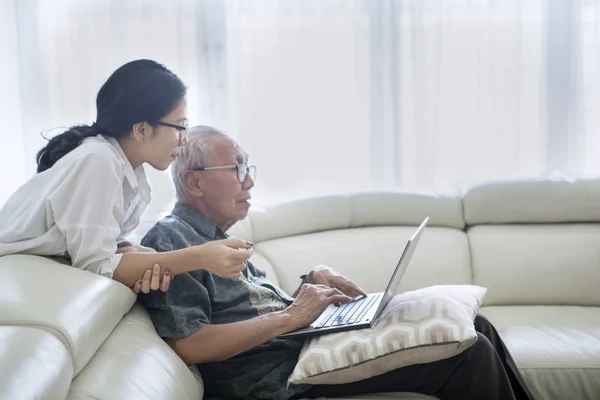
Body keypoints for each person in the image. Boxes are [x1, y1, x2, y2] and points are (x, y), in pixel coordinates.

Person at [138, 126, 535, 400]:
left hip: (301, 349)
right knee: (468, 350)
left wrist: (309, 285)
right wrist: (293, 315)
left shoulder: (218, 238)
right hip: (279, 377)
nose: (250, 181)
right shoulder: (173, 241)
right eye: (237, 168)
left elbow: (257, 310)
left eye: (248, 168)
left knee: (474, 324)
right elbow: (187, 343)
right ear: (193, 182)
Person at [0, 60, 253, 295]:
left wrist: (144, 258)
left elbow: (104, 249)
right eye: (180, 126)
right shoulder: (98, 160)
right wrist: (199, 257)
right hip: (15, 274)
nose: (184, 139)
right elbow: (97, 266)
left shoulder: (128, 170)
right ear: (141, 129)